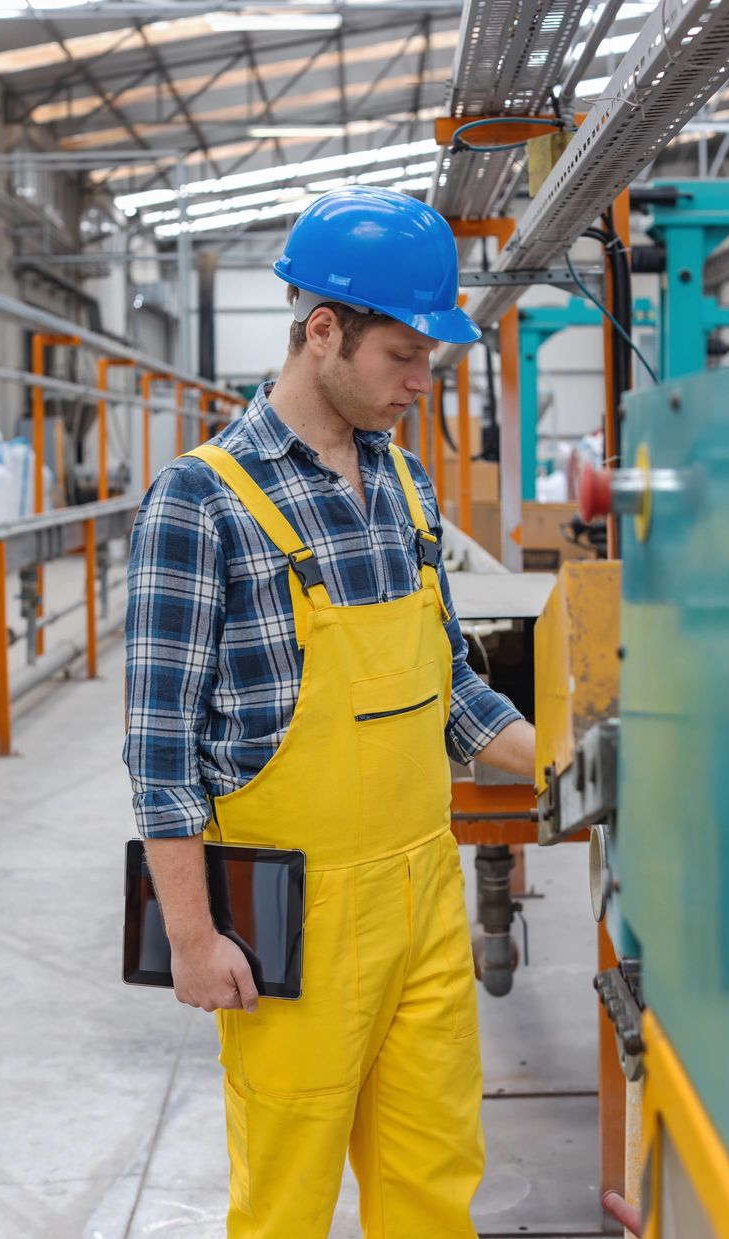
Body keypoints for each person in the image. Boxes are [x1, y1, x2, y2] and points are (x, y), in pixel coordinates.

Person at [124, 186, 536, 1239]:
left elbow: (450, 690)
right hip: (291, 919)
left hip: (424, 894)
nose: (418, 382)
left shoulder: (403, 483)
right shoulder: (201, 499)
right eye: (402, 355)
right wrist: (189, 934)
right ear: (322, 333)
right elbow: (159, 747)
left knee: (434, 1173)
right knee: (289, 1192)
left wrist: (575, 762)